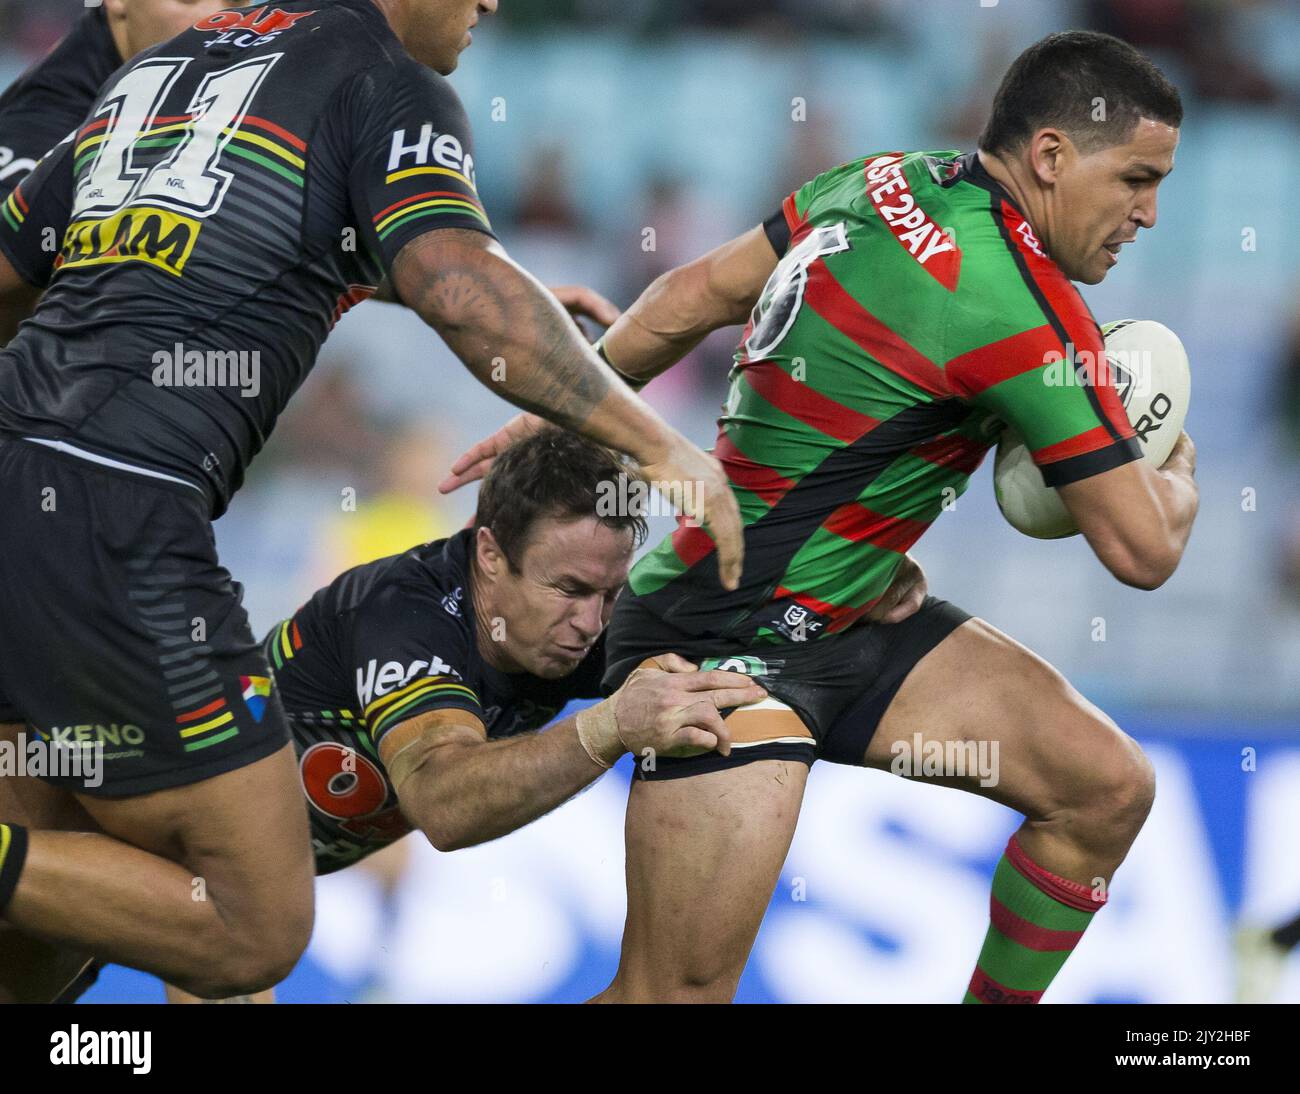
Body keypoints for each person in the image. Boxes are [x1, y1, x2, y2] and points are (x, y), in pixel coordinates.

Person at [0, 0, 742, 1003]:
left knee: (40, 936)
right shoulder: (381, 79)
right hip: (119, 514)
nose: (488, 5)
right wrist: (656, 443)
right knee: (247, 923)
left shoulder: (164, 69)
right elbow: (459, 288)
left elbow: (17, 268)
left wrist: (420, 278)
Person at [446, 31, 1200, 1004]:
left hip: (846, 614)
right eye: (1135, 178)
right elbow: (1142, 550)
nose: (1147, 212)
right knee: (669, 995)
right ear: (1051, 157)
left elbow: (688, 297)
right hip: (724, 639)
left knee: (1103, 786)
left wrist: (549, 408)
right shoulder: (1023, 311)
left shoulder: (888, 176)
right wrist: (1174, 469)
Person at [165, 428, 772, 1002]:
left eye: (608, 595)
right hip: (156, 831)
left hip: (244, 873)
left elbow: (748, 649)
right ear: (488, 553)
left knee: (248, 935)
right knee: (242, 943)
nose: (591, 624)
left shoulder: (567, 622)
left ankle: (382, 971)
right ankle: (381, 976)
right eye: (569, 590)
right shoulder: (402, 612)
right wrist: (608, 726)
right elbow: (444, 806)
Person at [0, 1, 243, 342]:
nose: (224, 19)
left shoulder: (165, 89)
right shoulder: (44, 131)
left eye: (239, 3)